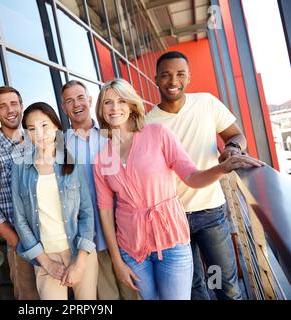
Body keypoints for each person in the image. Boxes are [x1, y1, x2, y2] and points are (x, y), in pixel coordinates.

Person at [93, 79, 263, 300]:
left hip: (171, 239)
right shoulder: (101, 158)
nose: (115, 108)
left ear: (131, 105)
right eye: (108, 102)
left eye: (121, 101)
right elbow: (105, 211)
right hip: (132, 249)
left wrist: (222, 168)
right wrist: (117, 261)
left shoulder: (158, 134)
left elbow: (191, 177)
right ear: (101, 109)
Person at [146, 51, 250, 300]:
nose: (173, 81)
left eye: (180, 74)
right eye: (166, 75)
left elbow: (235, 136)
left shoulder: (206, 103)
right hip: (172, 220)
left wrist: (232, 150)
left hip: (210, 212)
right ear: (156, 79)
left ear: (189, 77)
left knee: (224, 286)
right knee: (194, 288)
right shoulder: (148, 123)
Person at [61, 80, 139, 300]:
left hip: (123, 231)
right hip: (89, 238)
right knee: (107, 296)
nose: (76, 104)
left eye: (79, 98)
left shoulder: (112, 134)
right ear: (64, 108)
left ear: (89, 100)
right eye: (69, 101)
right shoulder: (60, 145)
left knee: (135, 292)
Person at [12, 102, 98, 300]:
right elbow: (20, 220)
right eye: (32, 129)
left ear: (56, 127)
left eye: (44, 126)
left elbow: (86, 211)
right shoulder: (20, 168)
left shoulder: (71, 162)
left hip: (79, 253)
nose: (39, 134)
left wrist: (80, 261)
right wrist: (46, 263)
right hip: (45, 257)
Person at [0, 86, 39, 300]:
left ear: (21, 106)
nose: (9, 110)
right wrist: (18, 244)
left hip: (53, 236)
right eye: (2, 106)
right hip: (22, 244)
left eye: (13, 104)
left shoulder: (38, 142)